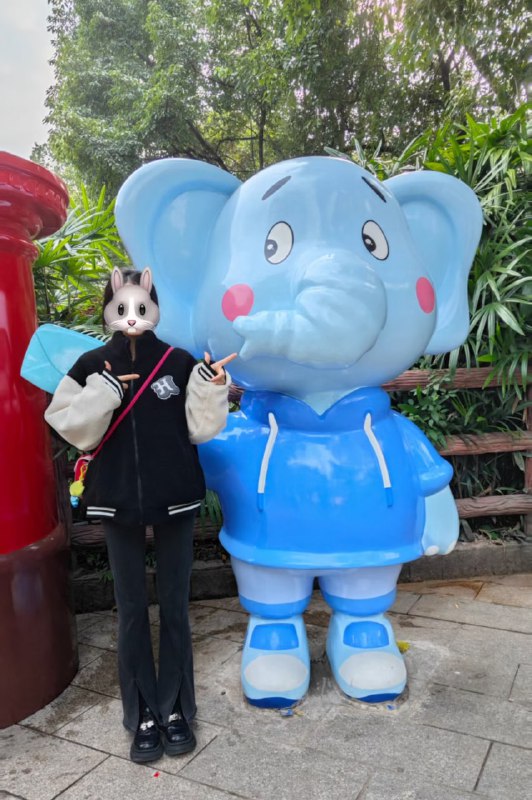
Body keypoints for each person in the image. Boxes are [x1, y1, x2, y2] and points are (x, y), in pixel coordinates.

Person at [44, 266, 235, 763]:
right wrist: (105, 392)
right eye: (122, 306)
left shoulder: (179, 362)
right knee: (129, 609)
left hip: (176, 493)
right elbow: (68, 424)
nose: (131, 315)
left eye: (141, 306)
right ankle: (142, 712)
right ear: (109, 308)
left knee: (174, 605)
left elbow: (200, 429)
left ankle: (177, 708)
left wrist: (213, 386)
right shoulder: (90, 364)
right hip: (115, 496)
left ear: (155, 308)